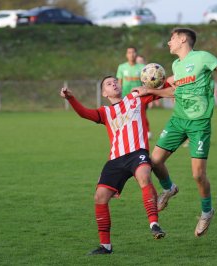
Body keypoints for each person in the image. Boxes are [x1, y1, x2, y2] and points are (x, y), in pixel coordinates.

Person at [134, 28, 217, 237]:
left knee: (198, 175)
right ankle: (169, 189)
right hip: (178, 120)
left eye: (172, 39)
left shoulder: (203, 58)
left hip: (199, 123)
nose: (169, 42)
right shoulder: (176, 65)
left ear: (183, 39)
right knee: (155, 161)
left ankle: (207, 212)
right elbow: (175, 91)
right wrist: (151, 90)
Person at [59, 76, 165, 255]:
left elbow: (163, 90)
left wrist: (173, 81)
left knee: (144, 176)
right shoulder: (104, 112)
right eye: (108, 84)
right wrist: (71, 98)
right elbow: (84, 113)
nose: (113, 84)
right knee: (99, 197)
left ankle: (154, 224)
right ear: (104, 93)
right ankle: (105, 246)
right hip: (116, 159)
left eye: (115, 81)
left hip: (137, 153)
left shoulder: (135, 97)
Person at [117, 47, 152, 138]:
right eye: (129, 52)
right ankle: (127, 134)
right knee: (125, 117)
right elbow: (119, 83)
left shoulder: (141, 67)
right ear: (126, 54)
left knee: (140, 116)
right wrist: (118, 97)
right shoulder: (122, 67)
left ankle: (145, 133)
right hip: (125, 97)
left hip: (139, 97)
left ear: (136, 54)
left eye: (133, 52)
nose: (131, 54)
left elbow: (146, 83)